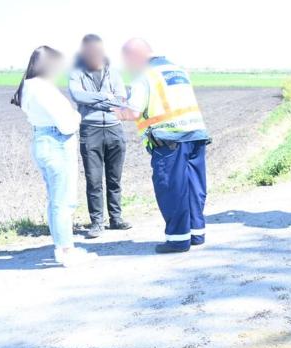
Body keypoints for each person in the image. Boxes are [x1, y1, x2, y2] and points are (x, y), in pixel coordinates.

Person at [113, 38, 209, 254]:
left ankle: (177, 240)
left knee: (171, 189)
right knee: (194, 187)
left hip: (169, 140)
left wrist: (119, 113)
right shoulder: (178, 71)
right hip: (195, 136)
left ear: (134, 56)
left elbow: (134, 112)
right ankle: (196, 233)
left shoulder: (143, 77)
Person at [11, 46, 98, 267]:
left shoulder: (29, 86)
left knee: (56, 200)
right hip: (56, 142)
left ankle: (63, 247)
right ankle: (66, 251)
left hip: (44, 141)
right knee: (63, 201)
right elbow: (67, 123)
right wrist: (76, 116)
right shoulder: (42, 88)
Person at [68, 34, 131, 239]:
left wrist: (93, 101)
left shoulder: (114, 73)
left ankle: (116, 218)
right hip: (90, 130)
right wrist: (106, 98)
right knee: (93, 180)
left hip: (115, 129)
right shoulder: (77, 74)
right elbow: (78, 96)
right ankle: (97, 222)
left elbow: (121, 100)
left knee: (115, 179)